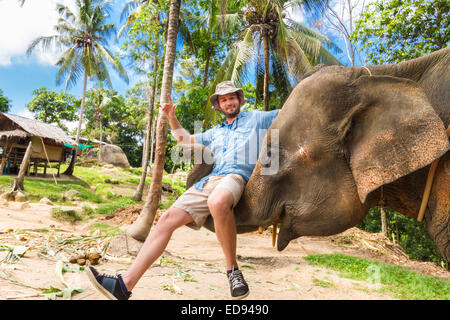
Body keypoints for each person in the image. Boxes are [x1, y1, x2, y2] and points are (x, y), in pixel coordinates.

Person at [86, 81, 280, 300]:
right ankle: (123, 285)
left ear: (240, 99)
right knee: (166, 218)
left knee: (217, 201)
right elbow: (185, 140)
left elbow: (290, 111)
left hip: (236, 177)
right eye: (223, 99)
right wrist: (171, 117)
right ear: (218, 105)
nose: (229, 102)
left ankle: (232, 271)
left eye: (232, 97)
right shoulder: (215, 132)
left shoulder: (257, 118)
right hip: (210, 180)